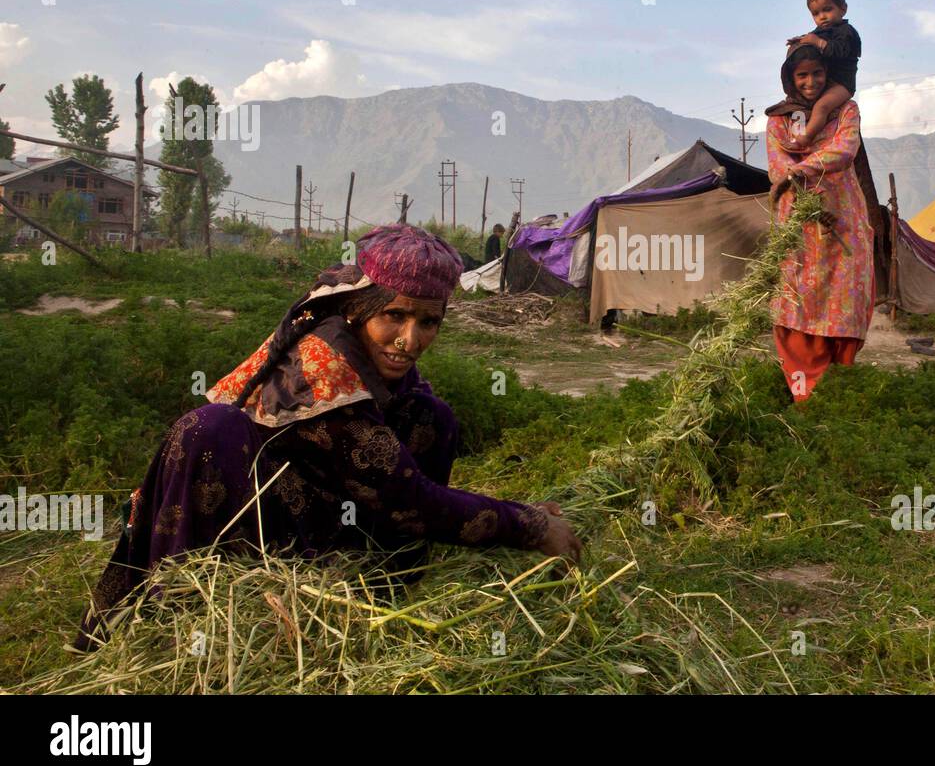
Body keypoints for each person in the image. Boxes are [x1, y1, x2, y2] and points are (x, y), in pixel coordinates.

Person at [74, 223, 580, 651]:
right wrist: (531, 526)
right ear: (362, 309)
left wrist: (510, 510)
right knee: (212, 433)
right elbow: (410, 501)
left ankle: (382, 589)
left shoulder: (367, 346)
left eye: (429, 321)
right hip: (238, 503)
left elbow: (401, 465)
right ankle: (198, 621)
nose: (411, 339)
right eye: (395, 317)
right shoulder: (325, 374)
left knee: (432, 417)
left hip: (304, 484)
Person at [764, 45, 874, 402]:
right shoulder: (778, 119)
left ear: (828, 75)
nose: (810, 82)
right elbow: (777, 165)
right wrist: (793, 177)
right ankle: (803, 393)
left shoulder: (845, 110)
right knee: (799, 298)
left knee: (843, 297)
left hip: (842, 219)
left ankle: (835, 393)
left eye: (817, 74)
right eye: (802, 75)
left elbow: (845, 149)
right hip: (798, 224)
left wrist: (803, 167)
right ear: (790, 78)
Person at [784, 0, 861, 144]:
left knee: (821, 107)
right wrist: (800, 41)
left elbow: (840, 51)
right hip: (826, 81)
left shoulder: (847, 33)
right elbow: (811, 42)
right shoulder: (822, 31)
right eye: (816, 13)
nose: (822, 16)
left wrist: (818, 42)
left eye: (827, 9)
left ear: (843, 9)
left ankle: (806, 137)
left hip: (842, 84)